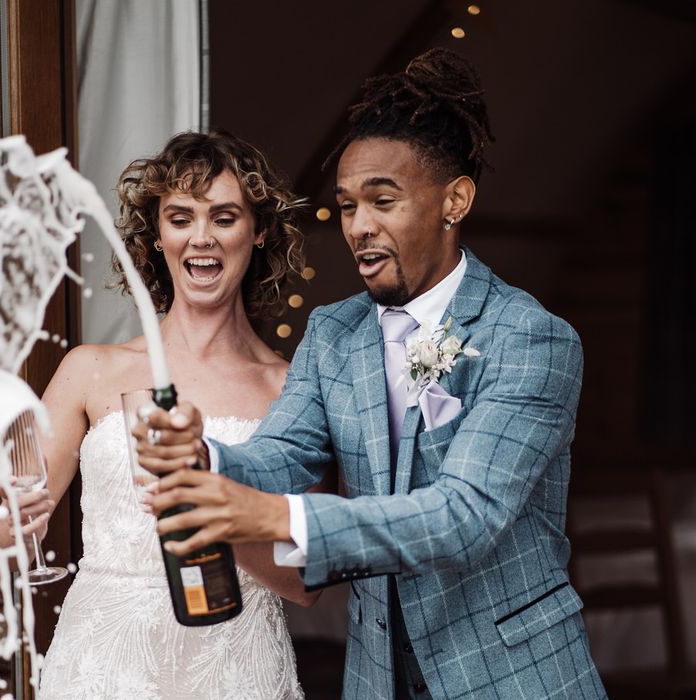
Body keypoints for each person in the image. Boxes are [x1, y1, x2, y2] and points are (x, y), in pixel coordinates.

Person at [136, 48, 607, 699]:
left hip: (515, 679)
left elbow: (462, 517)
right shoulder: (334, 332)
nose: (358, 227)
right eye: (348, 206)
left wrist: (275, 519)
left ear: (454, 201)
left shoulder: (530, 339)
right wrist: (206, 453)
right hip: (376, 680)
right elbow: (285, 453)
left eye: (383, 201)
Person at [0, 129, 321, 699]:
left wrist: (213, 512)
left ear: (259, 230)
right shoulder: (89, 370)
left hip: (236, 667)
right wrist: (15, 524)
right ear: (157, 234)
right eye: (180, 217)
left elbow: (307, 584)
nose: (202, 238)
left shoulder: (291, 388)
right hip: (101, 666)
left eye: (224, 218)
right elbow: (10, 542)